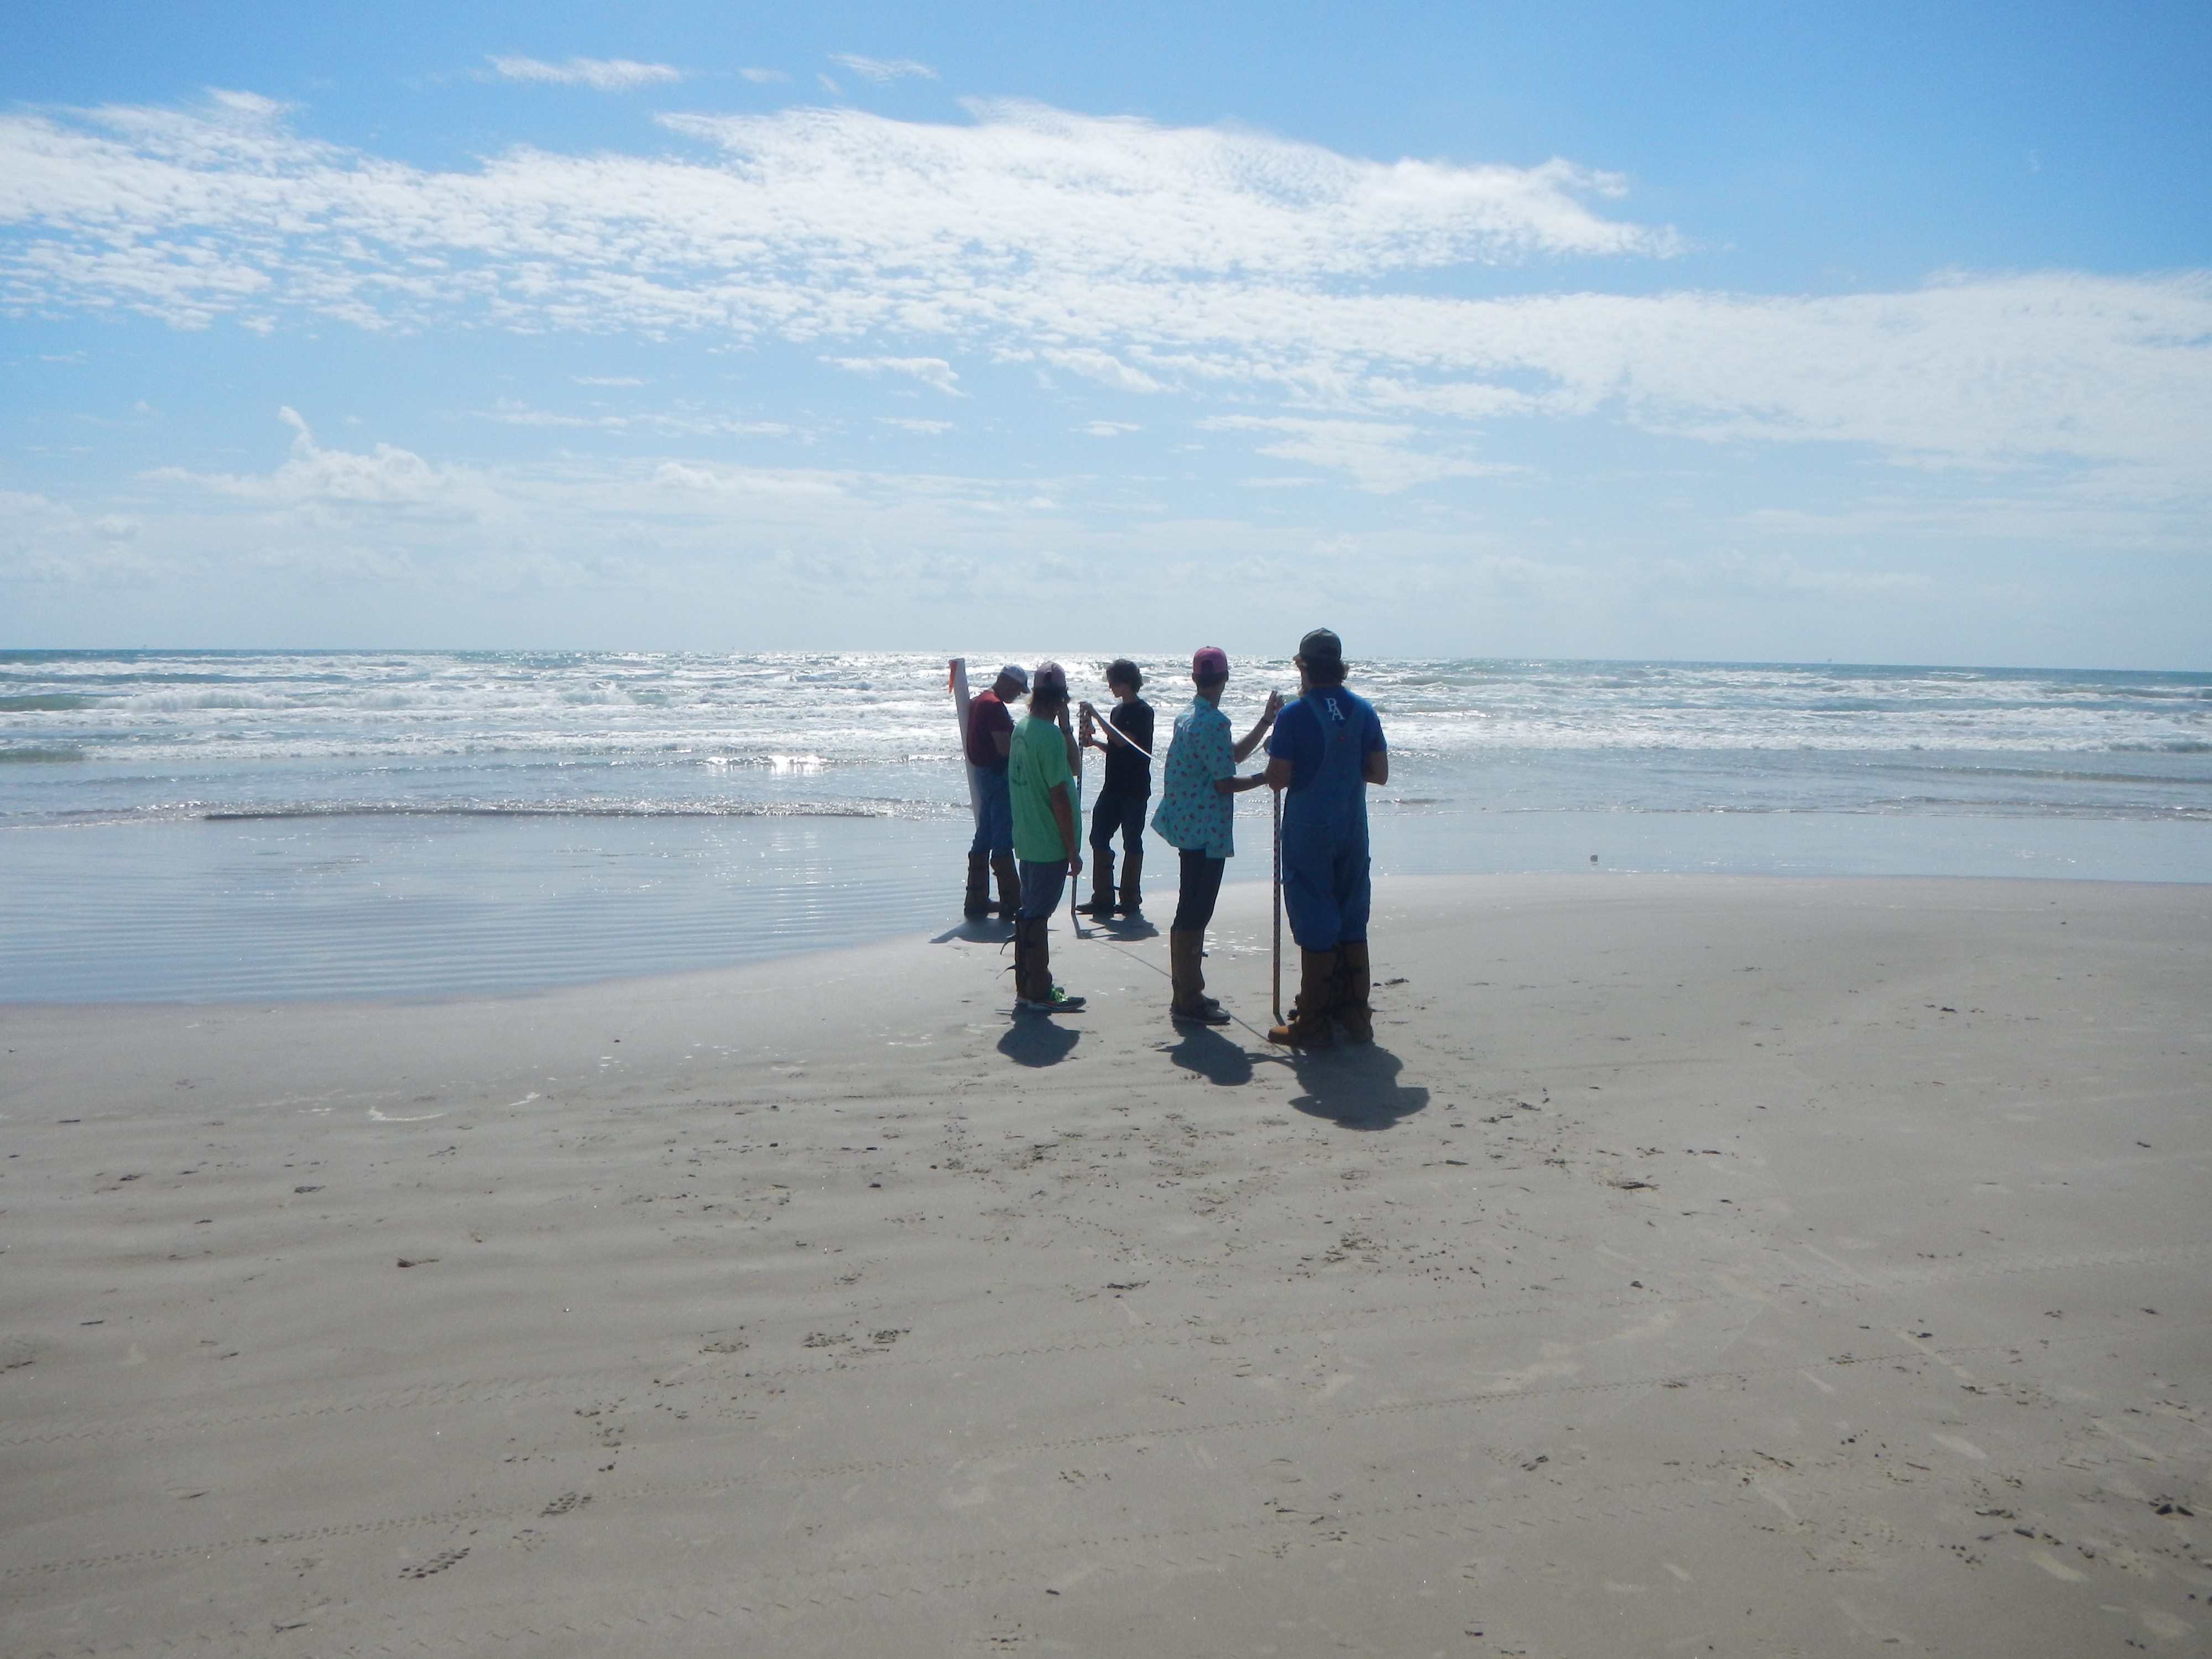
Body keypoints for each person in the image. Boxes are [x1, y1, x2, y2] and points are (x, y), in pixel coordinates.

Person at [1264, 628, 1387, 1046]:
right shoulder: (1363, 710)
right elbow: (1379, 773)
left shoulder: (1294, 715)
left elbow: (1277, 779)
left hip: (1310, 826)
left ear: (1302, 666)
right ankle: (1354, 1014)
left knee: (1314, 912)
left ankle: (1313, 1020)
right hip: (1351, 824)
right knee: (1352, 913)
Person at [1150, 647, 1281, 1023]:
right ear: (1224, 679)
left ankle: (1186, 990)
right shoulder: (1212, 722)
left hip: (1189, 825)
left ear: (1196, 679)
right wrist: (1267, 778)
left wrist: (1265, 722)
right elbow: (1225, 782)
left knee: (1190, 907)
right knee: (1196, 910)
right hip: (1205, 829)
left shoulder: (1190, 716)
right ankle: (1188, 998)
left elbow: (1228, 757)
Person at [1007, 661, 1087, 1013]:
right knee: (1037, 915)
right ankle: (1036, 990)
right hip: (1048, 841)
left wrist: (1065, 727)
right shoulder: (1049, 737)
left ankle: (1029, 986)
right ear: (1060, 700)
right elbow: (1061, 797)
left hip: (1027, 836)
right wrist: (1072, 849)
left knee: (1030, 912)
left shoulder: (1022, 729)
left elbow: (1073, 768)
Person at [1076, 659, 1155, 919]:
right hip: (1112, 786)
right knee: (1098, 837)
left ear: (1126, 682)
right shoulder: (1117, 711)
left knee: (1132, 840)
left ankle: (1130, 897)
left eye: (1114, 682)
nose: (1110, 687)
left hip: (1135, 788)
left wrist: (1096, 715)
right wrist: (1096, 743)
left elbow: (1124, 742)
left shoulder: (1143, 712)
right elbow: (1114, 747)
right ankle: (1103, 897)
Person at [962, 665, 1027, 920]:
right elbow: (1004, 748)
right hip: (998, 774)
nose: (1018, 695)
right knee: (1002, 835)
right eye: (1018, 690)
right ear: (1007, 683)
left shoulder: (981, 701)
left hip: (984, 773)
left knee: (986, 834)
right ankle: (1012, 900)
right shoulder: (994, 706)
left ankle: (976, 898)